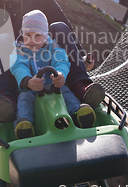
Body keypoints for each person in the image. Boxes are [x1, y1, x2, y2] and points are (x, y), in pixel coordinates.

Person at [0, 0, 104, 123]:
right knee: (2, 39)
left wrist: (82, 56)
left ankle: (80, 86)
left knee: (58, 26)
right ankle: (6, 98)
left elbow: (65, 26)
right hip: (17, 67)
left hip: (49, 60)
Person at [10, 10, 97, 139]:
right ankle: (25, 123)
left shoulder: (52, 46)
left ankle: (78, 112)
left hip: (54, 85)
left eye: (37, 35)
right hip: (32, 87)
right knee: (24, 99)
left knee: (66, 93)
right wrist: (27, 81)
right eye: (27, 35)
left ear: (45, 36)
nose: (32, 40)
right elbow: (18, 65)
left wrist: (61, 74)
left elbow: (61, 60)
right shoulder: (20, 49)